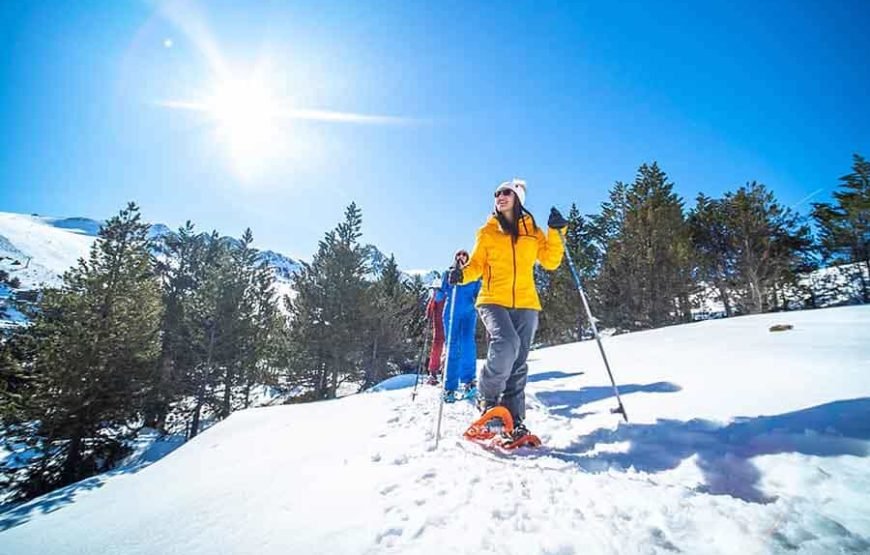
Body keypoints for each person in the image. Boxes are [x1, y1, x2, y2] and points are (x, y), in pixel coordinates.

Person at [449, 178, 568, 441]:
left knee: (519, 360)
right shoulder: (487, 231)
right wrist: (462, 274)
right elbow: (477, 265)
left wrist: (557, 232)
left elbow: (550, 261)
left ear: (518, 198)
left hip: (526, 303)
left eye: (506, 192)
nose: (500, 196)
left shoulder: (532, 231)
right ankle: (488, 401)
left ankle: (513, 420)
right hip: (493, 298)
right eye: (497, 193)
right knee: (506, 343)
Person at [440, 250, 482, 403]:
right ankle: (450, 386)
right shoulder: (448, 273)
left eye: (464, 255)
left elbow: (479, 293)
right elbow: (441, 293)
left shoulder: (474, 274)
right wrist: (436, 292)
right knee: (452, 346)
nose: (461, 258)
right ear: (455, 258)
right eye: (458, 255)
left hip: (468, 314)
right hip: (451, 314)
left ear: (468, 259)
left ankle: (469, 382)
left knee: (468, 344)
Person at [425, 276, 446, 385]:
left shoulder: (438, 298)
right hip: (441, 326)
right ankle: (439, 371)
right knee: (442, 349)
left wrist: (428, 315)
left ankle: (435, 372)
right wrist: (428, 315)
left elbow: (430, 308)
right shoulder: (444, 297)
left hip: (441, 326)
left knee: (439, 348)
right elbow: (430, 308)